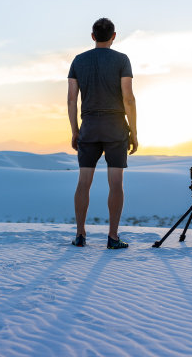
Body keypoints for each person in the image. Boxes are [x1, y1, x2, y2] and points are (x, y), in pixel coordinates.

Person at [67, 17, 138, 249]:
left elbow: (71, 100)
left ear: (93, 36)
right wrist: (134, 132)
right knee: (116, 183)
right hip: (115, 125)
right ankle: (113, 237)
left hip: (88, 124)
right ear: (114, 36)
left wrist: (75, 130)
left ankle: (80, 235)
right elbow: (128, 98)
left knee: (83, 182)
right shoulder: (121, 60)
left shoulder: (79, 61)